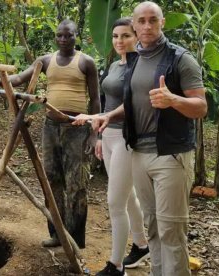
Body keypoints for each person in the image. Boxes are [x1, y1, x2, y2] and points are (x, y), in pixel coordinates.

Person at [91, 2, 207, 275]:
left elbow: (201, 107)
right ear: (134, 24)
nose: (146, 26)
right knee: (153, 229)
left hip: (170, 152)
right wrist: (110, 116)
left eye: (152, 20)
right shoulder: (136, 59)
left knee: (170, 231)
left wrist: (173, 100)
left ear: (162, 22)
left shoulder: (180, 58)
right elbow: (132, 102)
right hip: (139, 153)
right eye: (140, 21)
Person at [0, 19, 100, 249]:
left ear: (77, 36)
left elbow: (95, 99)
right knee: (51, 179)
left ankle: (75, 240)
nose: (63, 40)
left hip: (77, 128)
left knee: (76, 185)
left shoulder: (86, 62)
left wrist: (94, 133)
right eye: (60, 36)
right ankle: (57, 233)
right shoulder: (45, 60)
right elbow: (19, 79)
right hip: (50, 127)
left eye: (68, 36)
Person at [73, 18, 150, 276]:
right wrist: (99, 135)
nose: (119, 41)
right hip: (109, 137)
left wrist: (95, 120)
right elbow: (105, 101)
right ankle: (141, 244)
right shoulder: (115, 65)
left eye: (126, 36)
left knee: (115, 202)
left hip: (128, 139)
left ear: (137, 36)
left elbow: (134, 105)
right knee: (127, 197)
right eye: (116, 36)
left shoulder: (141, 66)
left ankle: (116, 266)